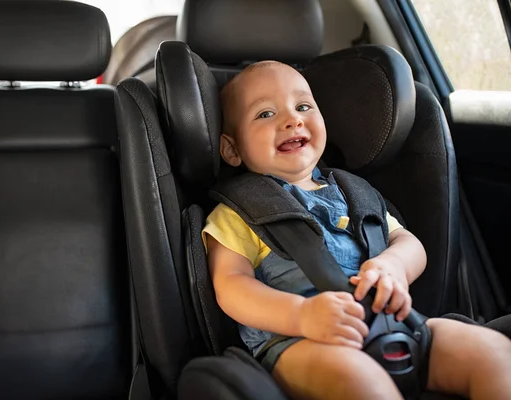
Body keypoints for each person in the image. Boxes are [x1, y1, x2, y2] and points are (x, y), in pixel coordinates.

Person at [203, 60, 511, 400]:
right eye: (265, 114)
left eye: (303, 106)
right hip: (301, 342)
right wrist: (301, 316)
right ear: (232, 149)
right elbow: (231, 285)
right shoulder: (237, 212)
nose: (292, 119)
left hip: (395, 324)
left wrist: (393, 265)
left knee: (491, 352)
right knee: (363, 383)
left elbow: (407, 242)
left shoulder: (356, 193)